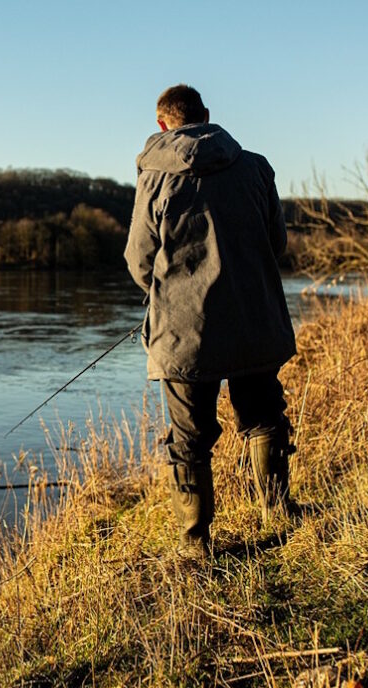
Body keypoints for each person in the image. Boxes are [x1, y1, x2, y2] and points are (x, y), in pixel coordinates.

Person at [123, 84, 299, 561]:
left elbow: (139, 261)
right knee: (263, 417)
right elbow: (276, 243)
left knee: (190, 439)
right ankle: (279, 512)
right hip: (254, 320)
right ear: (205, 115)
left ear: (162, 124)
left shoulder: (153, 178)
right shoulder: (256, 167)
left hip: (184, 332)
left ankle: (195, 543)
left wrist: (165, 293)